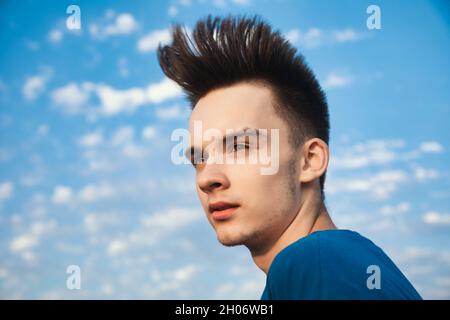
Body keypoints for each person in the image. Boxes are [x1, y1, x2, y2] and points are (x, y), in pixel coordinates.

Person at [157, 14, 422, 300]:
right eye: (199, 159)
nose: (207, 178)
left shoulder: (314, 262)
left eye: (241, 147)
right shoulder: (349, 265)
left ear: (310, 160)